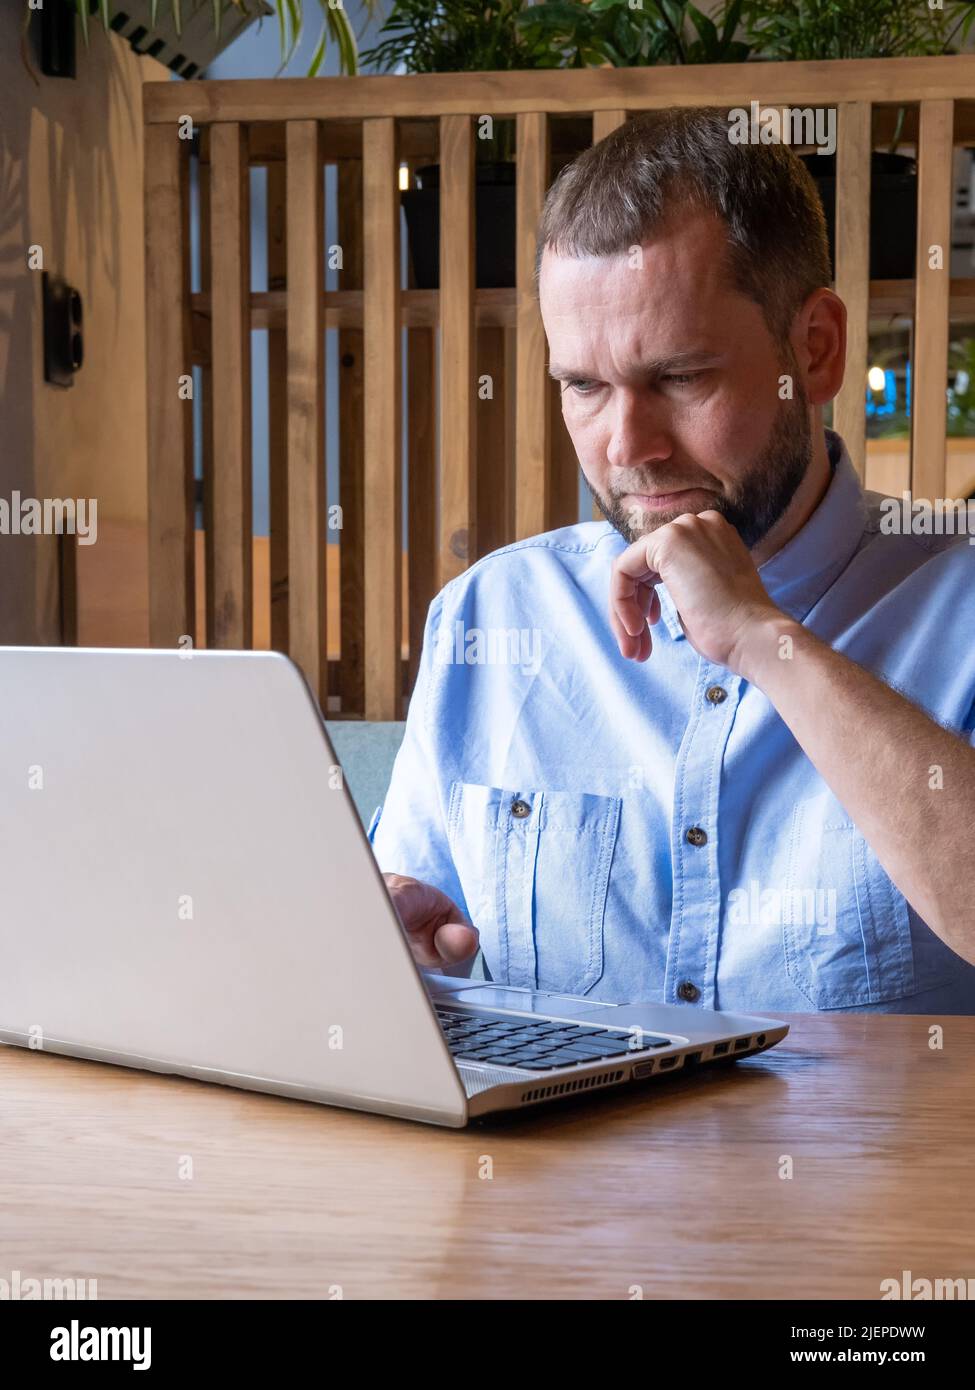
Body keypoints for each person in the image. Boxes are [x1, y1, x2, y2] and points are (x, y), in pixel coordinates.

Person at [372, 107, 975, 1014]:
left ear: (813, 352)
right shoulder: (491, 615)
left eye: (681, 378)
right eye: (583, 386)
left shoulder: (956, 601)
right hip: (557, 1160)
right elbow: (413, 929)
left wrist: (763, 639)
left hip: (877, 1160)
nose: (628, 447)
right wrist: (396, 944)